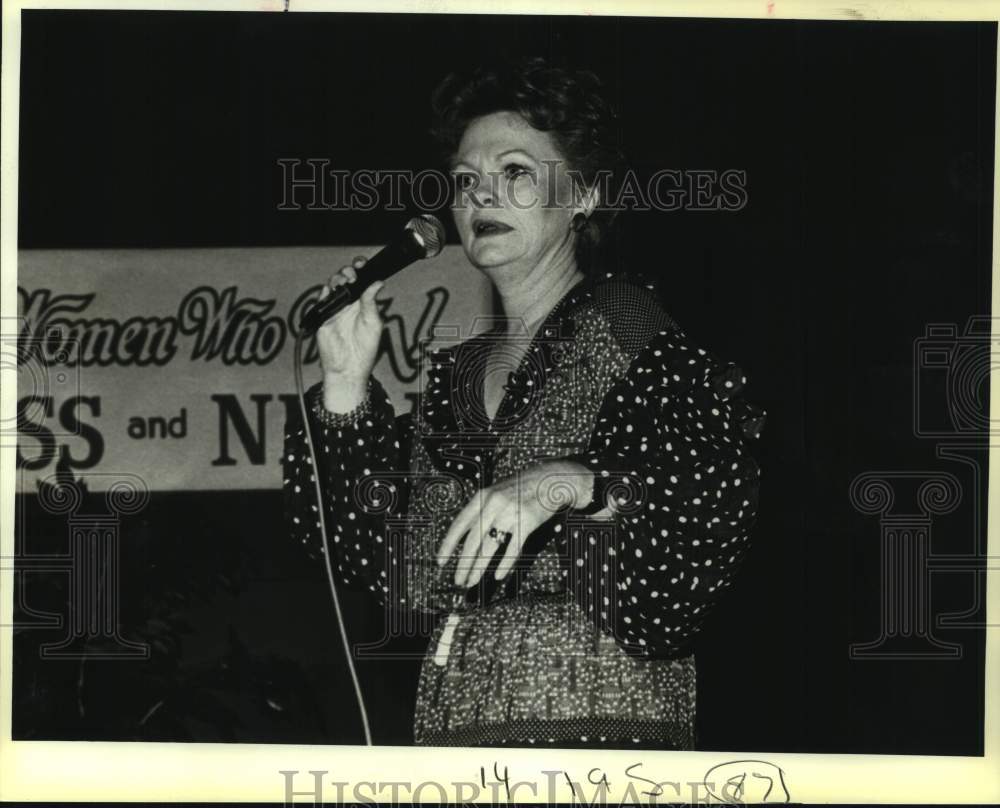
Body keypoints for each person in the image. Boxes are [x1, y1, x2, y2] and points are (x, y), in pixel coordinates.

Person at [282, 56, 766, 749]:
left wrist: (569, 483)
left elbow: (708, 493)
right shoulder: (458, 370)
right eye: (466, 182)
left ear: (585, 197)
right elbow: (377, 558)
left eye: (514, 172)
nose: (482, 197)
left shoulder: (623, 321)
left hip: (593, 730)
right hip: (458, 729)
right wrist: (346, 380)